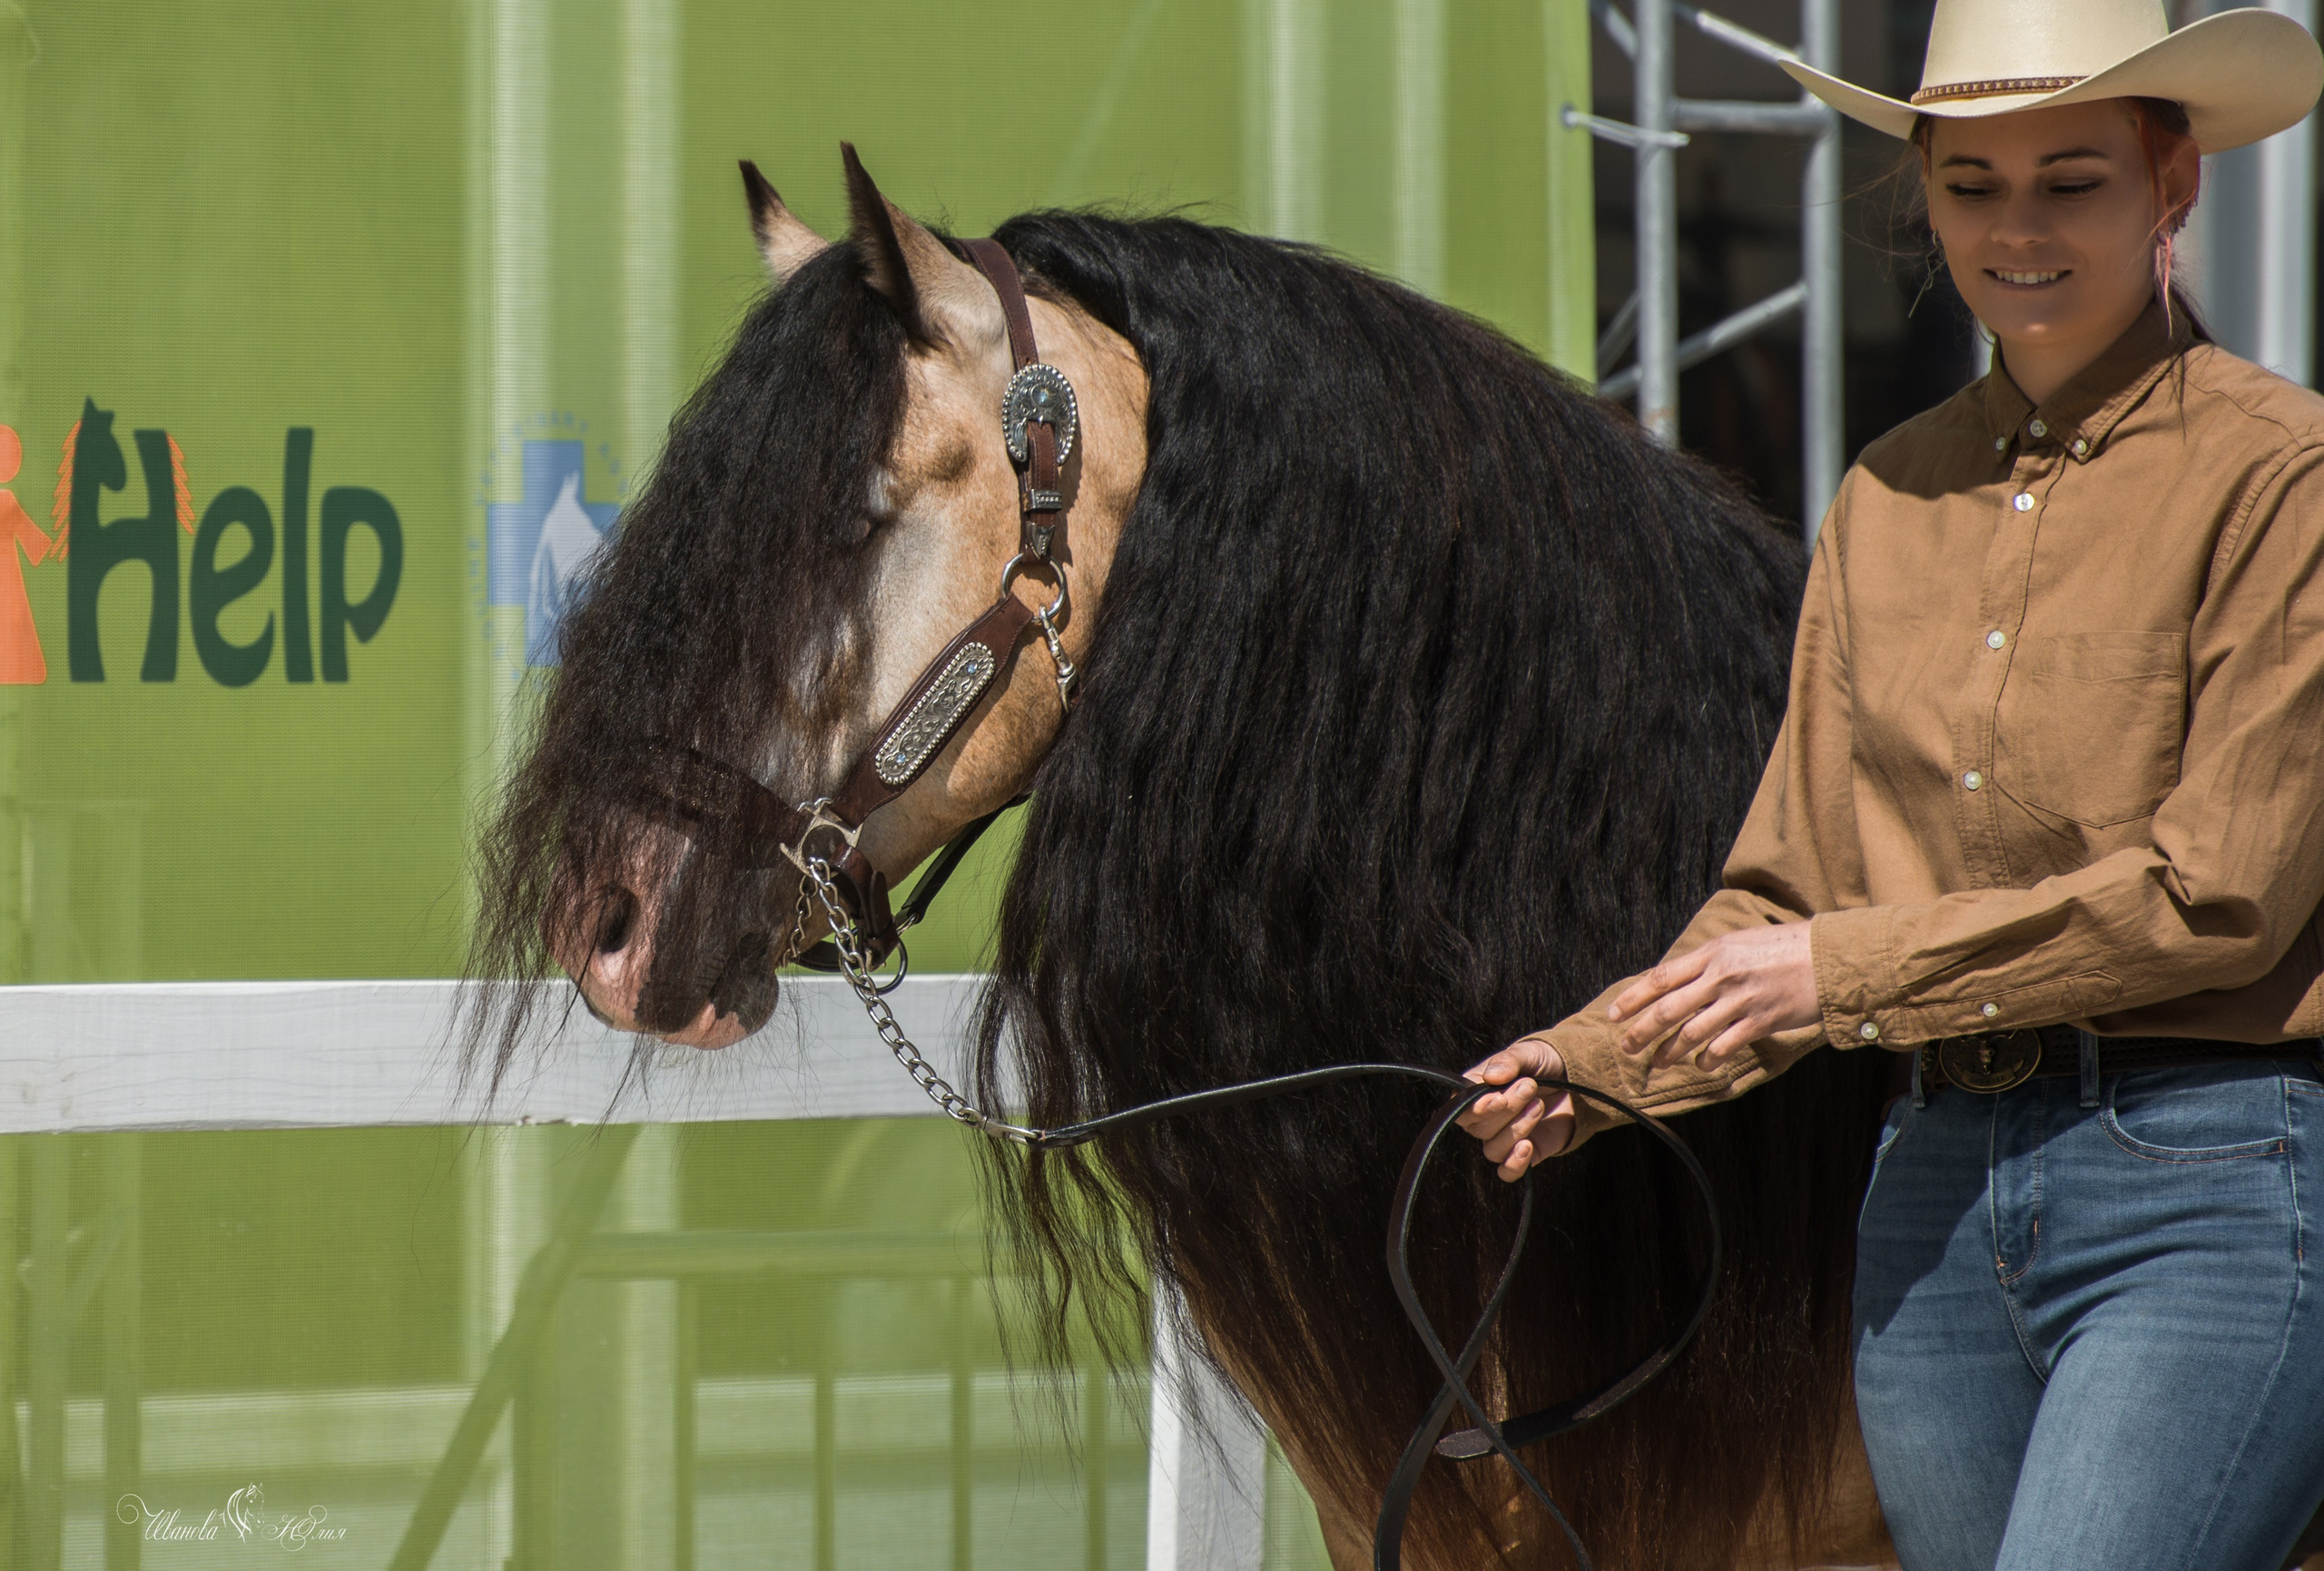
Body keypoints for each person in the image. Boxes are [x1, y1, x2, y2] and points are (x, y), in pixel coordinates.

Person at [1459, 2, 2324, 1566]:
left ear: (2172, 183)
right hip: (1927, 1200)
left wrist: (1836, 975)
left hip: (2209, 1178)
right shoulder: (1884, 496)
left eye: (2073, 180)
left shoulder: (2286, 474)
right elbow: (1787, 886)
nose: (2020, 229)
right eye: (1973, 184)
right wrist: (1591, 1063)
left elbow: (2225, 897)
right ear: (1921, 197)